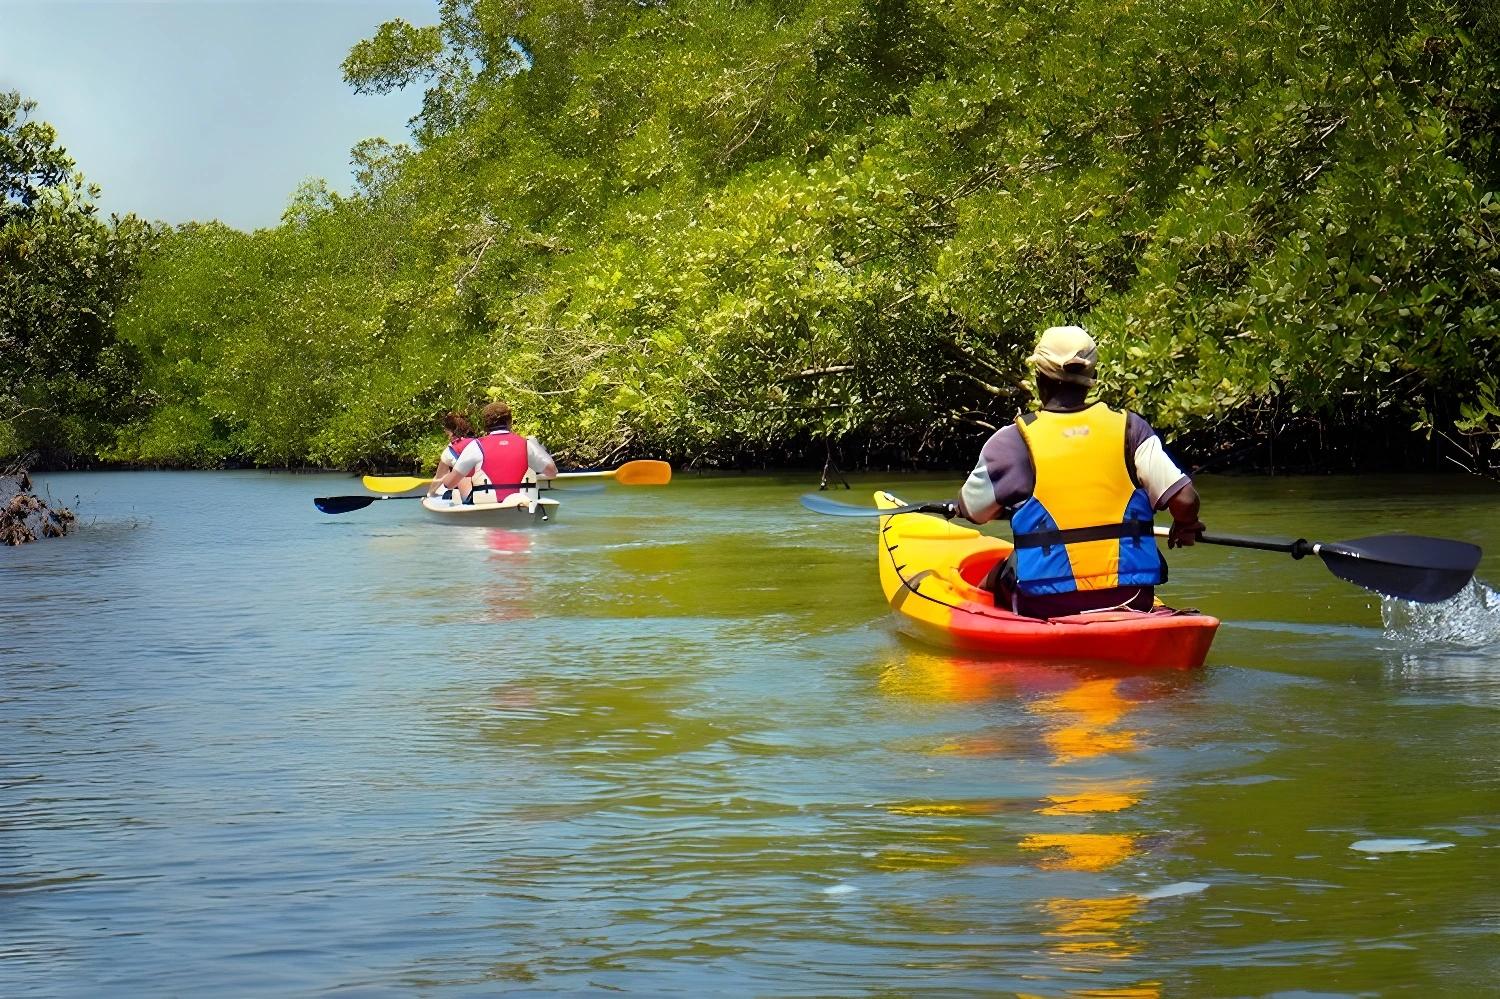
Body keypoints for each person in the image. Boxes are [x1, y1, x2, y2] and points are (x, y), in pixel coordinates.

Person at [952, 325, 1205, 619]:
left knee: (999, 572)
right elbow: (1185, 499)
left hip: (1046, 603)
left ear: (1038, 377)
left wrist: (962, 506)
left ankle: (983, 633)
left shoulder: (1011, 441)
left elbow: (974, 511)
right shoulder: (1131, 429)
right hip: (1131, 596)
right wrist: (1185, 524)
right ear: (1092, 379)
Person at [440, 401, 558, 504]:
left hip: (487, 505)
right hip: (524, 502)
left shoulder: (475, 446)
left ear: (485, 425)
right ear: (510, 422)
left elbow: (450, 484)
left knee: (462, 486)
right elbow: (552, 473)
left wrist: (445, 479)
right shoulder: (527, 444)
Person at [427, 411, 477, 497]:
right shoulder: (479, 443)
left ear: (449, 431)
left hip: (466, 494)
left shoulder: (449, 451)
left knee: (447, 490)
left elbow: (439, 477)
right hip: (485, 487)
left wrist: (430, 494)